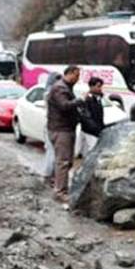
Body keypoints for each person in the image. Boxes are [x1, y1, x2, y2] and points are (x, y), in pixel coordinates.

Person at [47, 66, 92, 203]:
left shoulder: (66, 87)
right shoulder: (59, 88)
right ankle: (60, 192)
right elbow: (64, 106)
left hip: (66, 128)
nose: (78, 79)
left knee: (66, 161)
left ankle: (59, 185)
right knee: (63, 162)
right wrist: (80, 100)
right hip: (61, 130)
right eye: (77, 75)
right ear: (70, 73)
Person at [42, 72, 62, 185]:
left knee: (53, 152)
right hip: (53, 125)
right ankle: (48, 176)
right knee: (52, 152)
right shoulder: (51, 93)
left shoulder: (48, 92)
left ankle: (51, 176)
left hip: (50, 125)